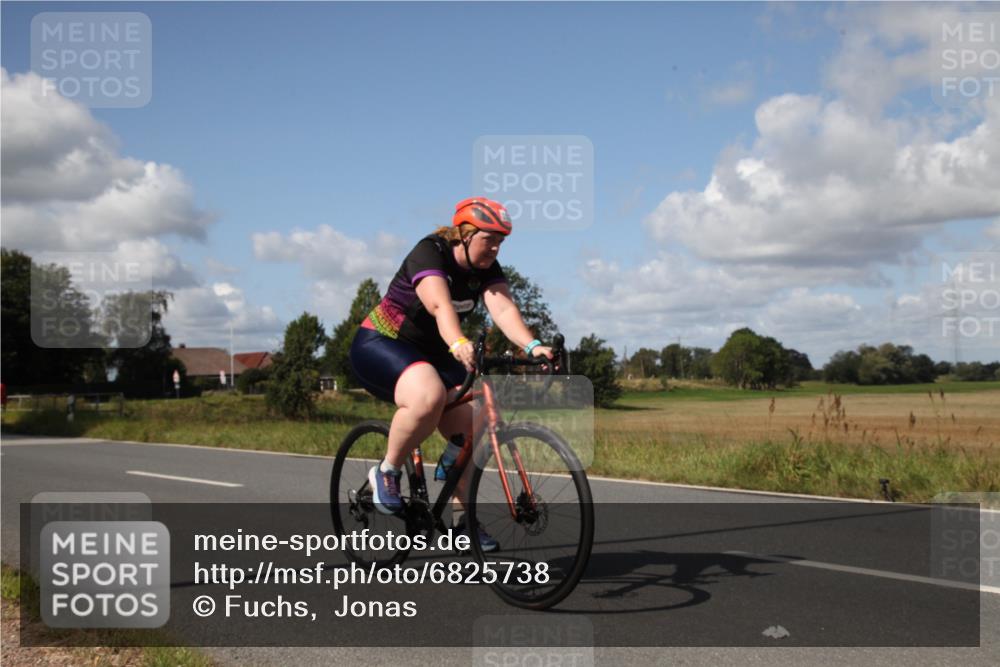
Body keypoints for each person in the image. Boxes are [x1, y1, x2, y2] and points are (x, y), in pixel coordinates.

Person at [348, 197, 553, 551]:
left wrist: (534, 346)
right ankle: (387, 471)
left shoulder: (486, 266)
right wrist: (458, 342)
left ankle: (462, 523)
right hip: (382, 343)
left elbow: (502, 308)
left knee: (474, 426)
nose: (495, 247)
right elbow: (439, 304)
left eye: (501, 241)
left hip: (432, 352)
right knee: (429, 395)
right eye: (489, 238)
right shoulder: (430, 253)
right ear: (465, 234)